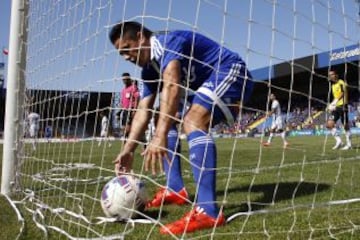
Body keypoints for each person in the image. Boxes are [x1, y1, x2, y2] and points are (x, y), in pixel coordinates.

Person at [109, 21, 253, 235]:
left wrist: (160, 136)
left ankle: (208, 211)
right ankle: (176, 189)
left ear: (140, 37)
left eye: (127, 49)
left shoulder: (169, 43)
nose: (126, 57)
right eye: (121, 54)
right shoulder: (149, 71)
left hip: (230, 71)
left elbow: (172, 85)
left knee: (193, 120)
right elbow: (143, 110)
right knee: (167, 119)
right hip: (205, 86)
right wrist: (128, 149)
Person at [326, 70, 352, 150]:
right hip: (336, 107)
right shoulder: (333, 85)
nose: (330, 76)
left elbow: (342, 93)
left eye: (332, 74)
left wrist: (335, 102)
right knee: (329, 125)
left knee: (345, 125)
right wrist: (332, 104)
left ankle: (349, 144)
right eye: (329, 75)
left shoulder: (341, 82)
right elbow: (336, 96)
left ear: (336, 75)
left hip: (343, 105)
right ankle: (339, 141)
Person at [119, 72, 140, 138]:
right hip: (125, 111)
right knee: (123, 128)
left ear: (129, 79)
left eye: (126, 79)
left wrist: (134, 110)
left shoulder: (133, 87)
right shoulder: (123, 90)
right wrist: (119, 112)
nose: (124, 81)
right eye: (123, 79)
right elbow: (122, 102)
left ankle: (126, 143)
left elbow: (137, 98)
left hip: (131, 110)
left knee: (127, 129)